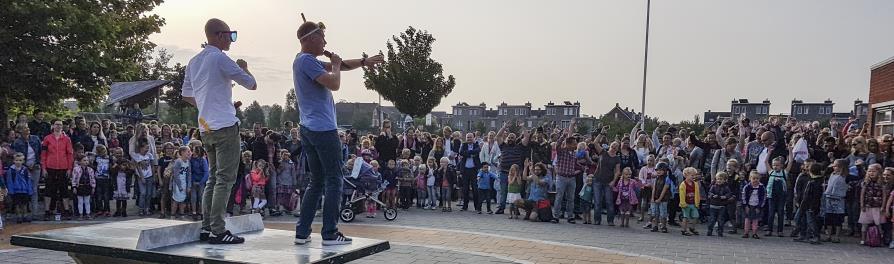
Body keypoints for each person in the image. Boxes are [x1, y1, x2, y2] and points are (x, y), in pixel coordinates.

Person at [292, 19, 385, 246]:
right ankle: (330, 233)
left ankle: (302, 232)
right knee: (335, 180)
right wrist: (334, 64)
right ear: (310, 38)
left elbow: (340, 65)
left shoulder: (303, 60)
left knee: (316, 181)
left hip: (308, 128)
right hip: (323, 130)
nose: (325, 41)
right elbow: (334, 82)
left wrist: (363, 62)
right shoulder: (307, 61)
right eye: (322, 37)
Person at [181, 18, 257, 245]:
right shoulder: (220, 58)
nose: (232, 40)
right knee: (224, 179)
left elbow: (186, 94)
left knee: (213, 178)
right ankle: (218, 229)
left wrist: (206, 105)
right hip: (225, 125)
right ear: (219, 35)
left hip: (205, 127)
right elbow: (251, 84)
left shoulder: (193, 61)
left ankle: (207, 227)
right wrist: (244, 68)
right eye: (230, 35)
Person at [41, 120, 74, 221]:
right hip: (50, 167)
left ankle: (67, 211)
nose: (59, 126)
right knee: (49, 190)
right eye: (56, 124)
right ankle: (47, 211)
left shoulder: (67, 139)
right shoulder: (47, 138)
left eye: (60, 125)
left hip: (63, 168)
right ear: (53, 126)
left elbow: (70, 154)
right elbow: (43, 154)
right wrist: (44, 168)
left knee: (64, 190)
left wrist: (69, 168)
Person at [12, 124, 41, 220]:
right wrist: (25, 165)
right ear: (20, 131)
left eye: (28, 127)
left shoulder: (35, 139)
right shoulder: (17, 142)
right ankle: (24, 213)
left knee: (34, 189)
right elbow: (17, 156)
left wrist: (36, 163)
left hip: (35, 166)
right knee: (24, 190)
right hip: (23, 168)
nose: (27, 129)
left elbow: (40, 153)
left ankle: (35, 213)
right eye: (24, 128)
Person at [793, 163, 824, 244]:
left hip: (810, 205)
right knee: (801, 219)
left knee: (810, 221)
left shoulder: (815, 182)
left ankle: (816, 236)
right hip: (805, 204)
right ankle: (803, 235)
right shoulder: (812, 180)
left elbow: (810, 196)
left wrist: (806, 205)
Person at [859, 164, 886, 245]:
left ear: (879, 172)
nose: (871, 173)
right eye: (869, 171)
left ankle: (880, 239)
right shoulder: (866, 182)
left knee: (878, 224)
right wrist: (862, 205)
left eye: (873, 171)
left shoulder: (882, 183)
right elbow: (862, 194)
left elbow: (884, 195)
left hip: (877, 206)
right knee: (865, 223)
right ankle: (863, 239)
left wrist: (883, 206)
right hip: (867, 206)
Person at [823, 159, 848, 243]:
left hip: (839, 199)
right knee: (828, 218)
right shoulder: (832, 174)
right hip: (829, 198)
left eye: (836, 166)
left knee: (838, 219)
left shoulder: (844, 176)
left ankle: (837, 236)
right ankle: (828, 235)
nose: (834, 167)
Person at [6, 153, 34, 223]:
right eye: (16, 160)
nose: (18, 162)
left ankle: (25, 216)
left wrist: (30, 190)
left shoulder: (25, 170)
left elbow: (28, 180)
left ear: (23, 161)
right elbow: (9, 181)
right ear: (13, 161)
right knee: (17, 205)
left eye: (20, 160)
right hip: (15, 191)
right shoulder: (11, 170)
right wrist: (11, 191)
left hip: (24, 190)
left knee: (24, 204)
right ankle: (18, 217)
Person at [766, 157, 788, 237]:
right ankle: (769, 229)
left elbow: (791, 162)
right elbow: (766, 161)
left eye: (777, 165)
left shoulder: (784, 173)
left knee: (780, 213)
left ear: (782, 165)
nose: (775, 167)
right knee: (771, 213)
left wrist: (790, 150)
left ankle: (780, 231)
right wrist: (769, 152)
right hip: (772, 196)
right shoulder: (771, 172)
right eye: (773, 165)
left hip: (781, 196)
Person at [706, 172, 732, 237]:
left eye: (721, 179)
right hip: (713, 205)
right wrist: (712, 196)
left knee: (721, 219)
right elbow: (709, 193)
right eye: (718, 179)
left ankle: (720, 231)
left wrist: (725, 197)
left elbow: (729, 194)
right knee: (712, 219)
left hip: (721, 206)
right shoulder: (713, 186)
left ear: (724, 180)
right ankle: (709, 230)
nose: (719, 180)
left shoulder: (726, 187)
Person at [742, 171, 766, 239]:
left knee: (755, 220)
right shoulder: (747, 187)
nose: (755, 180)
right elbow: (744, 196)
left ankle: (754, 232)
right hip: (749, 205)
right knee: (747, 219)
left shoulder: (761, 187)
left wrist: (759, 206)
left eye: (757, 178)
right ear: (750, 178)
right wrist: (745, 205)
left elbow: (763, 197)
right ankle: (746, 232)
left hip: (757, 205)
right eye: (754, 178)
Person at [71, 154, 96, 220]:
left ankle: (88, 214)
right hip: (80, 186)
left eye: (87, 160)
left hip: (87, 186)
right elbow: (74, 178)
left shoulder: (90, 170)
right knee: (80, 201)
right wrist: (74, 187)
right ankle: (81, 214)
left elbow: (92, 178)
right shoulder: (76, 169)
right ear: (80, 161)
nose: (86, 162)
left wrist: (93, 187)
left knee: (87, 201)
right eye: (84, 160)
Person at [679, 167, 701, 236]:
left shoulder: (695, 184)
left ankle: (692, 228)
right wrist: (683, 203)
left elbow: (697, 194)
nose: (693, 177)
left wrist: (697, 202)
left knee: (696, 216)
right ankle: (684, 230)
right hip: (686, 204)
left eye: (694, 175)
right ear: (686, 175)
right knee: (686, 217)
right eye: (692, 175)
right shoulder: (683, 184)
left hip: (693, 203)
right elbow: (682, 195)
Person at [171, 146, 192, 219]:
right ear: (182, 152)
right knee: (176, 199)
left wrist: (188, 186)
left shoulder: (188, 162)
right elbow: (175, 175)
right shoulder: (178, 161)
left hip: (184, 183)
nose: (190, 153)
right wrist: (179, 186)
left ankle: (181, 214)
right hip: (177, 184)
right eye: (188, 151)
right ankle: (172, 215)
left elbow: (189, 174)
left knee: (182, 199)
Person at [94, 145, 112, 217]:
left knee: (106, 195)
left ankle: (107, 209)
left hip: (106, 179)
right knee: (99, 195)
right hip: (98, 179)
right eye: (102, 151)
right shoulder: (96, 158)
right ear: (98, 153)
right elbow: (94, 166)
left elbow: (111, 167)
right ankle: (99, 209)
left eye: (105, 150)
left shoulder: (109, 158)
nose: (104, 152)